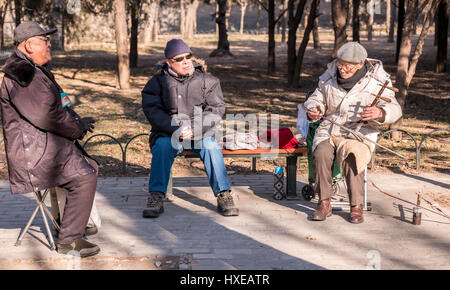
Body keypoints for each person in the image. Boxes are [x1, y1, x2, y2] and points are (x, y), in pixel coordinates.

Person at [0, 21, 100, 257]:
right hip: (34, 155)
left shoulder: (33, 69)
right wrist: (76, 128)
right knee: (85, 175)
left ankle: (71, 223)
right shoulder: (23, 75)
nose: (49, 44)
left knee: (87, 167)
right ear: (28, 45)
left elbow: (57, 105)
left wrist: (76, 121)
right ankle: (69, 239)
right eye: (44, 40)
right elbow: (48, 115)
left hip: (44, 146)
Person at [304, 42, 402, 224]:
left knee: (353, 154)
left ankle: (356, 206)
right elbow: (317, 97)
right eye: (340, 64)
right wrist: (314, 108)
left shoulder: (377, 80)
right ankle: (324, 203)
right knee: (321, 153)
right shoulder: (329, 76)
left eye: (347, 66)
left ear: (360, 64)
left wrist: (380, 113)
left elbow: (395, 108)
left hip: (360, 130)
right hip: (331, 128)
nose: (342, 69)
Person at [141, 39, 238, 218]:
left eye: (188, 56)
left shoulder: (207, 81)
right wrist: (176, 128)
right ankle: (156, 196)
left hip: (200, 132)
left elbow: (216, 109)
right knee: (162, 147)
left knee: (210, 147)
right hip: (169, 133)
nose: (186, 61)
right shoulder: (156, 83)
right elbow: (153, 111)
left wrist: (194, 128)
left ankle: (223, 194)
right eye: (179, 59)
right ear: (169, 62)